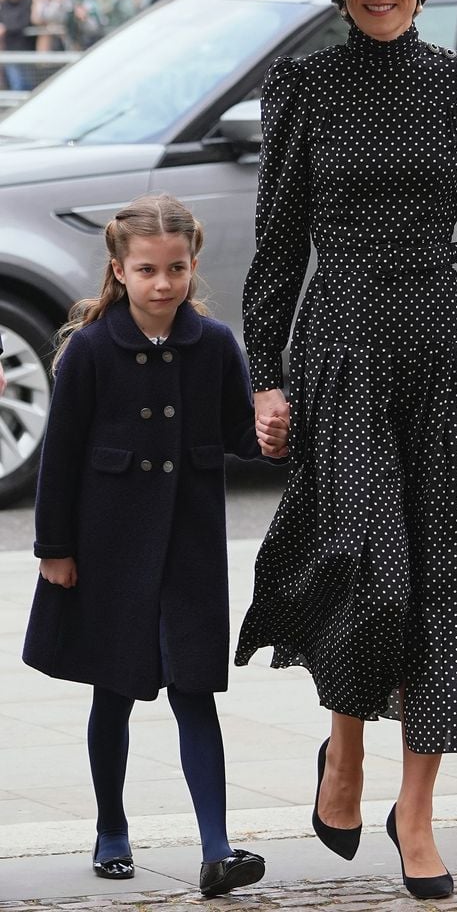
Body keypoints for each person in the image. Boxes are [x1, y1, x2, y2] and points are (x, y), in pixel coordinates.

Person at [233, 0, 457, 901]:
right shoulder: (306, 88)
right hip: (339, 351)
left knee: (448, 589)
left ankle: (415, 812)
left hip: (443, 354)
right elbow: (279, 245)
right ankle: (344, 751)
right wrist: (266, 375)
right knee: (364, 571)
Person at [22, 194, 287, 897]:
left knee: (194, 692)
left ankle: (217, 849)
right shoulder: (91, 348)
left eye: (175, 268)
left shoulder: (215, 343)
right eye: (147, 270)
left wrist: (267, 440)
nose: (163, 283)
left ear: (192, 265)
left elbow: (234, 434)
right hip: (108, 548)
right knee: (113, 692)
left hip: (191, 548)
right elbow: (61, 453)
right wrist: (55, 547)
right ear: (120, 269)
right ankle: (111, 827)